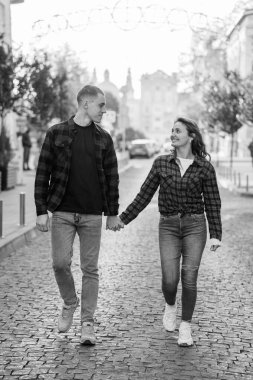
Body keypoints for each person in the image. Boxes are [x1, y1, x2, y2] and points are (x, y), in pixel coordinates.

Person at [112, 116, 222, 347]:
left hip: (195, 225)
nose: (173, 134)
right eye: (172, 131)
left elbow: (213, 201)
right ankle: (170, 305)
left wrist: (215, 234)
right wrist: (123, 218)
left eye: (178, 131)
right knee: (170, 280)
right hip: (169, 225)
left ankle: (185, 327)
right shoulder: (161, 163)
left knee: (189, 278)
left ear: (191, 136)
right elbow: (144, 195)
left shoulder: (204, 167)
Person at [34, 85, 120, 345]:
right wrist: (41, 211)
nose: (104, 110)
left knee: (90, 269)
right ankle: (70, 302)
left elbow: (112, 178)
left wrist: (112, 213)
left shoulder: (104, 138)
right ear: (85, 104)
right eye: (101, 105)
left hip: (93, 214)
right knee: (60, 264)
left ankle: (87, 324)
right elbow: (42, 173)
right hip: (62, 212)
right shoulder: (56, 132)